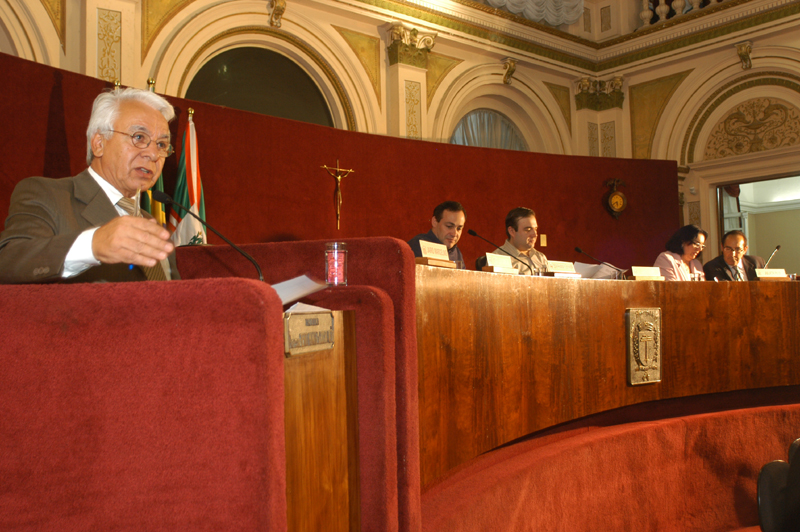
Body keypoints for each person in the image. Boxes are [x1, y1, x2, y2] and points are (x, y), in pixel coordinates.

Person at [0, 87, 178, 283]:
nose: (153, 154)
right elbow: (8, 260)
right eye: (139, 137)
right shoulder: (47, 195)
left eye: (161, 145)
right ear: (99, 144)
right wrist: (92, 245)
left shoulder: (154, 229)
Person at [407, 201, 466, 269]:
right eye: (449, 226)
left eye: (459, 228)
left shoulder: (457, 253)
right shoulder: (418, 245)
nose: (454, 234)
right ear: (434, 222)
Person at [493, 207, 548, 275]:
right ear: (512, 231)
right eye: (528, 229)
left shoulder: (540, 257)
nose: (535, 234)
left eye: (535, 229)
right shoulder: (497, 259)